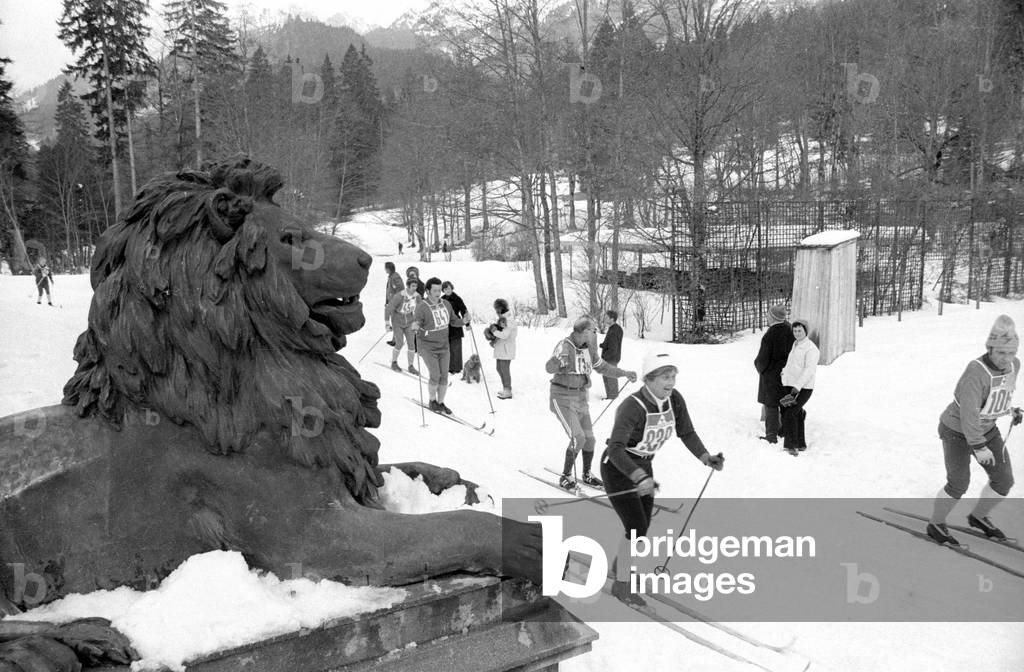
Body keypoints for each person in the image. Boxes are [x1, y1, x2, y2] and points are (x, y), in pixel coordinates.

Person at [600, 350, 724, 608]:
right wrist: (637, 476)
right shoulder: (631, 406)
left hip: (644, 467)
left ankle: (619, 563)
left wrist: (705, 457)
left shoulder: (674, 399)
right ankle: (621, 584)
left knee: (641, 528)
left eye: (673, 377)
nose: (670, 383)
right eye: (665, 377)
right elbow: (615, 449)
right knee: (636, 528)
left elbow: (686, 431)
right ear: (649, 379)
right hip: (618, 468)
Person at [927, 314, 1022, 546]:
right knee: (958, 483)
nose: (1006, 358)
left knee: (1004, 480)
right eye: (1000, 352)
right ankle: (936, 524)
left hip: (987, 429)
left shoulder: (1014, 365)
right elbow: (969, 414)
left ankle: (978, 517)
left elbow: (999, 393)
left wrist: (1010, 410)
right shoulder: (975, 371)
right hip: (957, 431)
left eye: (1011, 352)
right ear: (989, 348)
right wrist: (979, 447)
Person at [546, 317, 637, 491]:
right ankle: (565, 476)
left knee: (589, 440)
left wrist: (624, 373)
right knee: (578, 437)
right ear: (584, 331)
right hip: (562, 397)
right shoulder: (565, 346)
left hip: (580, 398)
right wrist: (557, 363)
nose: (595, 333)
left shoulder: (589, 349)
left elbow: (603, 367)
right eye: (593, 330)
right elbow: (549, 367)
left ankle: (586, 474)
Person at [411, 277, 469, 414]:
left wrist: (464, 321)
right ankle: (432, 401)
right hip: (427, 346)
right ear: (428, 291)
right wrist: (415, 326)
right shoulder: (422, 307)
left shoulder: (446, 304)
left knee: (444, 376)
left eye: (439, 290)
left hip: (443, 346)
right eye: (435, 290)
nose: (438, 293)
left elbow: (454, 321)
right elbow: (416, 322)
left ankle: (441, 403)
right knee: (435, 374)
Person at [754, 304, 795, 444]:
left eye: (768, 315)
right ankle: (785, 430)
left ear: (772, 317)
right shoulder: (790, 331)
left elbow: (762, 359)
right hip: (788, 374)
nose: (767, 317)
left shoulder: (770, 335)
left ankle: (771, 435)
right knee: (786, 401)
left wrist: (759, 367)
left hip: (771, 376)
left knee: (770, 404)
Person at [778, 319, 819, 455]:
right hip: (790, 385)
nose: (797, 333)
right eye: (795, 331)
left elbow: (809, 370)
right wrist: (784, 373)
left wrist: (797, 386)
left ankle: (791, 446)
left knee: (791, 413)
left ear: (805, 331)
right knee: (790, 409)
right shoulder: (795, 344)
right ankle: (801, 443)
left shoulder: (811, 348)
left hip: (803, 388)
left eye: (800, 331)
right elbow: (791, 364)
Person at [386, 278, 422, 374]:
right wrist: (387, 323)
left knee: (412, 344)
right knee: (400, 343)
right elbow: (389, 309)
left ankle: (411, 366)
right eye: (413, 286)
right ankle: (394, 362)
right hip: (397, 320)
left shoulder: (417, 296)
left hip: (409, 321)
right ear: (408, 286)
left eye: (416, 286)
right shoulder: (399, 296)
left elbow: (420, 310)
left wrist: (417, 322)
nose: (415, 288)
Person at [491, 299, 517, 399]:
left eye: (496, 309)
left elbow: (505, 335)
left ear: (500, 308)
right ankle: (505, 388)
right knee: (499, 368)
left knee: (504, 369)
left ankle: (508, 390)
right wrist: (493, 340)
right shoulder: (502, 319)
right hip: (501, 348)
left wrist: (494, 332)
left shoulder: (508, 320)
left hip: (507, 349)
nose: (496, 311)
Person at [443, 281, 468, 375]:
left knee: (456, 347)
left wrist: (467, 324)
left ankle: (456, 367)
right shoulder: (442, 299)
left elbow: (464, 310)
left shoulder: (457, 299)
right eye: (445, 289)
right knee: (447, 347)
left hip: (456, 323)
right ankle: (449, 366)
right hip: (445, 325)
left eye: (449, 288)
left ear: (452, 288)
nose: (447, 290)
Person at [599, 310, 624, 400]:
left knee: (610, 378)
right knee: (607, 377)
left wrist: (605, 357)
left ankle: (612, 399)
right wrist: (603, 345)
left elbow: (613, 348)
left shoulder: (614, 330)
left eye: (606, 317)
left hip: (611, 359)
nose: (605, 319)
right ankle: (610, 397)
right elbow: (612, 343)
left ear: (612, 319)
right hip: (611, 357)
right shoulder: (614, 328)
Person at [384, 262, 404, 345]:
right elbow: (390, 291)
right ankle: (394, 339)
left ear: (389, 269)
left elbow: (400, 289)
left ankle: (397, 340)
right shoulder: (391, 277)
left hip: (396, 304)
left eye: (386, 268)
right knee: (394, 321)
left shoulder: (395, 277)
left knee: (396, 321)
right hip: (392, 303)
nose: (385, 270)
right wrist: (387, 301)